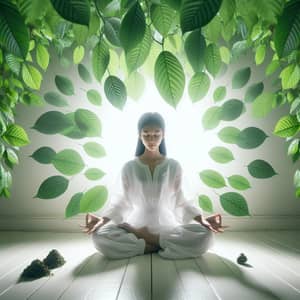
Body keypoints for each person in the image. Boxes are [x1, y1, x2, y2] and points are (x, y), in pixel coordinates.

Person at [80, 112, 228, 259]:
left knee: (206, 236)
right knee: (98, 236)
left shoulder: (173, 165)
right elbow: (121, 202)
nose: (152, 139)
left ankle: (149, 242)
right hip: (136, 226)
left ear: (163, 135)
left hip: (166, 228)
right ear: (139, 135)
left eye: (156, 134)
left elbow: (181, 200)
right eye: (147, 134)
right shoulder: (129, 167)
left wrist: (201, 220)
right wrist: (102, 220)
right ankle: (160, 244)